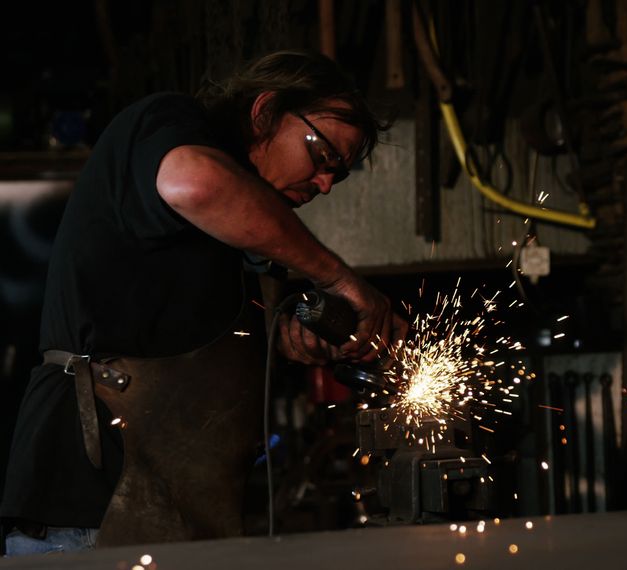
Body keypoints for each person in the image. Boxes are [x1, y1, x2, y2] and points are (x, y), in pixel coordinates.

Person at [1, 50, 406, 555]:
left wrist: (284, 338)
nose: (324, 184)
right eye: (322, 156)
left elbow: (187, 334)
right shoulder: (167, 121)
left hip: (172, 515)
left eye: (338, 175)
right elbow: (191, 183)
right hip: (91, 507)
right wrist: (341, 278)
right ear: (265, 111)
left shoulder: (237, 242)